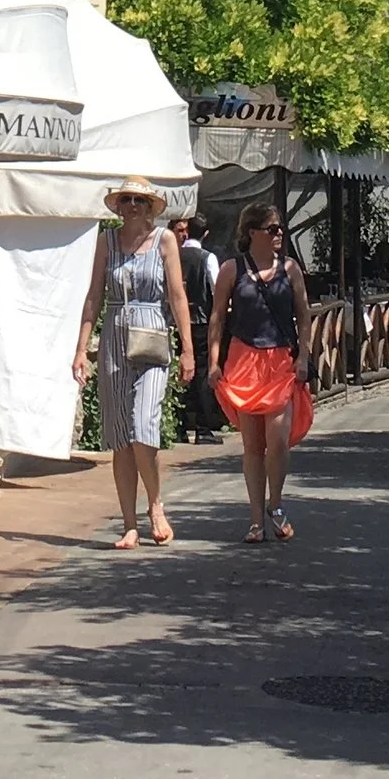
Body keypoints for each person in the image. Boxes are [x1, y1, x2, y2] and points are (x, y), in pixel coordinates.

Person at [74, 182, 195, 548]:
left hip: (151, 335)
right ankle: (129, 524)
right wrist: (81, 348)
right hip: (114, 336)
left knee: (144, 425)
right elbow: (94, 295)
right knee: (120, 436)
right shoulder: (107, 241)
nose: (131, 205)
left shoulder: (164, 241)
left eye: (138, 200)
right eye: (125, 199)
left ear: (150, 206)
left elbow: (177, 295)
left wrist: (188, 349)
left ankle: (155, 504)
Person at [209, 195, 314, 542]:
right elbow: (217, 318)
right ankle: (256, 520)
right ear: (252, 232)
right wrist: (213, 362)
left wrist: (303, 356)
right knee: (253, 446)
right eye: (272, 229)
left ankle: (276, 504)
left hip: (280, 359)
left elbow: (304, 314)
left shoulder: (290, 269)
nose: (279, 233)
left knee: (278, 441)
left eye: (280, 228)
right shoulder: (231, 269)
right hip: (244, 360)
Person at [178, 217, 222, 439]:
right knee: (202, 372)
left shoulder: (174, 255)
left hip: (177, 322)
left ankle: (179, 427)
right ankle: (203, 429)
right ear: (205, 234)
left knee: (179, 372)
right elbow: (217, 289)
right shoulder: (208, 258)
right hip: (201, 321)